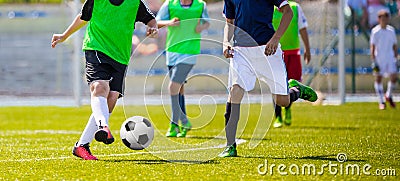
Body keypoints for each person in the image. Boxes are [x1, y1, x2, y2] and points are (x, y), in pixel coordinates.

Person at [51, 0, 158, 160]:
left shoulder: (135, 3)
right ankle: (103, 126)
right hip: (96, 47)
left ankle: (81, 146)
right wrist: (64, 35)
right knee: (99, 87)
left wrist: (153, 27)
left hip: (120, 56)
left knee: (112, 98)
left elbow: (150, 19)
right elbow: (83, 17)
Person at [220, 0, 318, 157]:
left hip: (267, 49)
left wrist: (275, 38)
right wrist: (225, 42)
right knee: (235, 92)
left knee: (282, 101)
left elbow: (288, 12)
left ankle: (296, 90)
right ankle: (230, 146)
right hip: (241, 52)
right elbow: (229, 22)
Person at [156, 0, 210, 137]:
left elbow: (207, 22)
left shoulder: (201, 5)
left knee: (172, 87)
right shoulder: (169, 4)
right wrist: (169, 23)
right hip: (172, 51)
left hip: (190, 51)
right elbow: (156, 22)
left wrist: (201, 27)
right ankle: (183, 123)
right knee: (179, 88)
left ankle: (175, 123)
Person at [271, 0, 311, 128]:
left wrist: (307, 49)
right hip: (275, 52)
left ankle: (287, 108)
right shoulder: (268, 8)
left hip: (293, 52)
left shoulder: (295, 7)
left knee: (293, 82)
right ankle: (278, 117)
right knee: (275, 84)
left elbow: (302, 29)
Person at [370, 10, 398, 110]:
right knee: (378, 79)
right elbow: (372, 46)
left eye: (386, 19)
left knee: (394, 77)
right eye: (382, 19)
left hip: (390, 57)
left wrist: (396, 56)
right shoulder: (375, 31)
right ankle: (381, 101)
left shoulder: (391, 31)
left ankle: (388, 95)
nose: (384, 21)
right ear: (379, 19)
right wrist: (373, 59)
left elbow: (394, 45)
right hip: (379, 58)